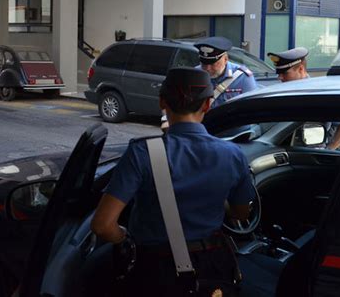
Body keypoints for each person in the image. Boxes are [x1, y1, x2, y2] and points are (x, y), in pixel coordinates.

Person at [91, 67, 257, 297]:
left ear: (162, 102)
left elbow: (102, 226)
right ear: (207, 105)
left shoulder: (143, 152)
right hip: (212, 267)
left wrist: (124, 238)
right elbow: (241, 213)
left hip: (153, 270)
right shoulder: (232, 154)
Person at [161, 36, 258, 130]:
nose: (207, 68)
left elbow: (251, 109)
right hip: (204, 134)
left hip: (234, 136)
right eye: (204, 64)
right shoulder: (195, 75)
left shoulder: (243, 77)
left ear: (225, 59)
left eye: (212, 64)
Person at [268, 47, 340, 150]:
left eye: (285, 73)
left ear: (300, 69)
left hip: (309, 156)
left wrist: (330, 150)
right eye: (279, 73)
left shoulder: (319, 95)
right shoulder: (281, 93)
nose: (280, 77)